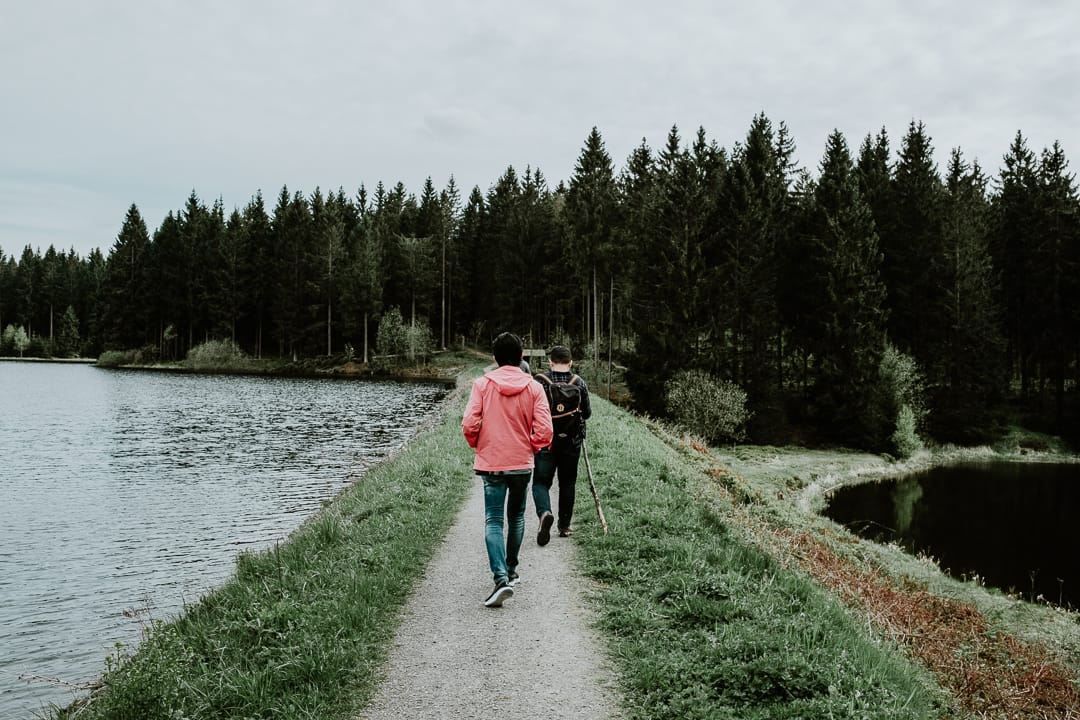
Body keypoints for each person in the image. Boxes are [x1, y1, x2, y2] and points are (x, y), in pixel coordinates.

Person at [462, 332, 553, 607]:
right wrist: (532, 445)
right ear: (522, 356)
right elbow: (546, 430)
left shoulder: (481, 385)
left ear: (494, 358)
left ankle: (500, 578)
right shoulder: (534, 387)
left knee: (493, 520)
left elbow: (468, 424)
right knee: (516, 518)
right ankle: (511, 570)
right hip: (522, 463)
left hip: (492, 463)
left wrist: (478, 443)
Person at [531, 345, 591, 545]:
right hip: (571, 441)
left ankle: (544, 513)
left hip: (546, 441)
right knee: (568, 482)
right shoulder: (579, 382)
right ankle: (564, 526)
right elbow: (587, 413)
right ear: (571, 363)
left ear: (551, 362)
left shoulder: (539, 381)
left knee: (541, 482)